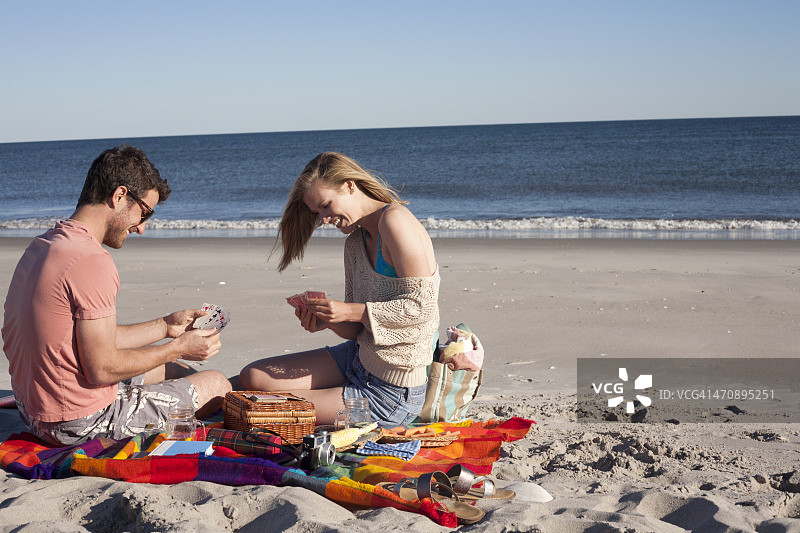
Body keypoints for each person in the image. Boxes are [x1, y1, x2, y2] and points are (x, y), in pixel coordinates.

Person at [2, 145, 232, 445]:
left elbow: (94, 339)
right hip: (76, 423)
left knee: (175, 370)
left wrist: (166, 326)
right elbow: (101, 368)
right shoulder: (91, 260)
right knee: (217, 384)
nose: (142, 228)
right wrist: (177, 347)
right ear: (119, 195)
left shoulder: (44, 245)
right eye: (144, 212)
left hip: (33, 410)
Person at [240, 152, 439, 427]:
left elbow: (423, 309)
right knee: (252, 377)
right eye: (316, 212)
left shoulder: (396, 221)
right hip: (357, 359)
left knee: (260, 410)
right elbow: (357, 330)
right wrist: (329, 321)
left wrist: (349, 310)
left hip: (390, 392)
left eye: (325, 206)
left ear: (349, 185)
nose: (323, 219)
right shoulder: (355, 243)